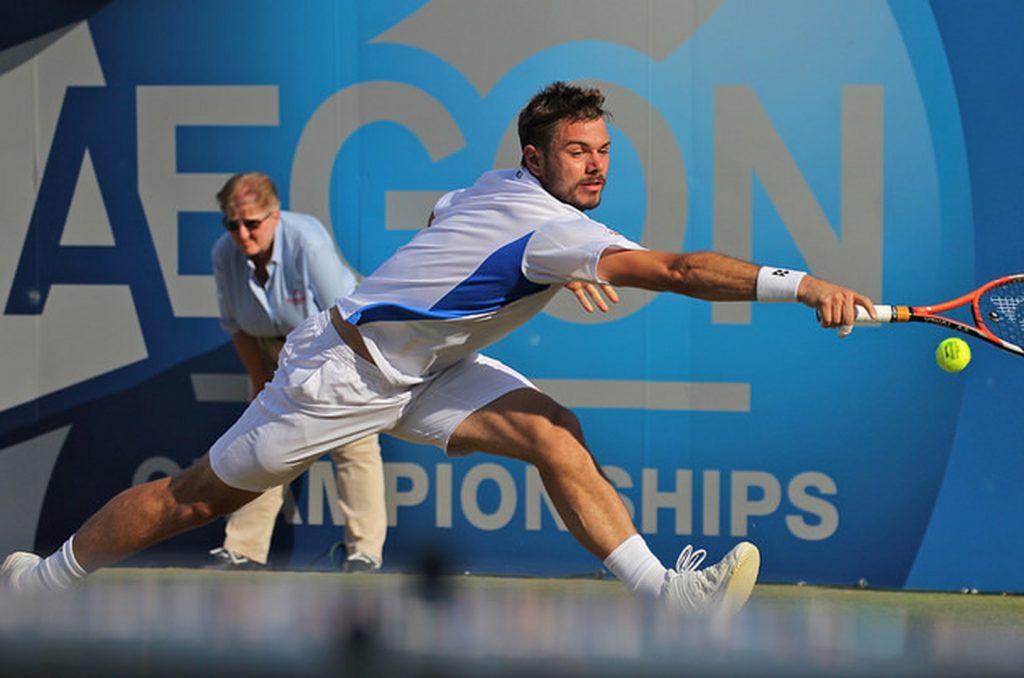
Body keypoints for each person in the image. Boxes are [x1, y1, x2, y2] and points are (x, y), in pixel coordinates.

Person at [2, 82, 874, 617]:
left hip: (425, 370)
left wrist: (538, 264)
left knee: (553, 430)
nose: (595, 165)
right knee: (191, 501)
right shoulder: (546, 227)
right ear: (536, 157)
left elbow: (448, 217)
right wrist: (802, 287)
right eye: (576, 152)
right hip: (336, 378)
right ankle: (42, 583)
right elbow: (678, 268)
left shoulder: (499, 191)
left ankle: (668, 599)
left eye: (603, 151)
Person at [209, 172, 387, 572]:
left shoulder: (306, 241)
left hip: (333, 344)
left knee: (354, 445)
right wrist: (260, 381)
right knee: (260, 445)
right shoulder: (224, 253)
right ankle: (242, 550)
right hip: (269, 349)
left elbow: (346, 315)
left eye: (251, 222)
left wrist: (351, 379)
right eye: (232, 224)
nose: (241, 233)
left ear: (275, 216)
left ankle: (364, 552)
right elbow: (236, 325)